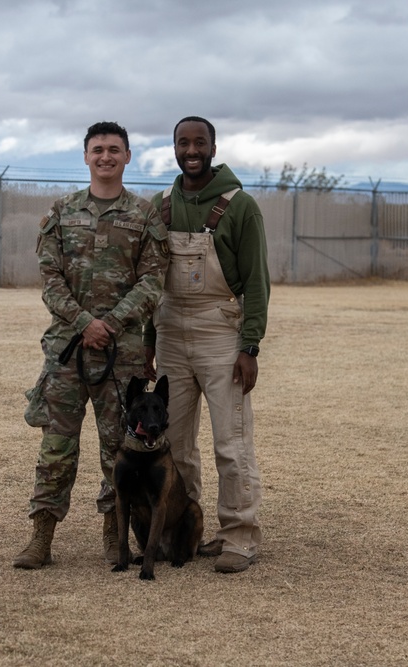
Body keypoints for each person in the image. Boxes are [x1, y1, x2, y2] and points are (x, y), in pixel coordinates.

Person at [15, 121, 168, 569]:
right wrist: (85, 323)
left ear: (127, 156)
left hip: (122, 356)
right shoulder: (61, 213)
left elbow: (153, 280)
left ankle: (112, 532)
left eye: (114, 149)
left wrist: (112, 323)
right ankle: (41, 535)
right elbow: (50, 280)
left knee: (115, 446)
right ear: (85, 157)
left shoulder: (144, 216)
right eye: (98, 149)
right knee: (56, 447)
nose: (106, 156)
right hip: (68, 350)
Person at [144, 116, 270, 574]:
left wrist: (249, 346)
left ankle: (239, 535)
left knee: (230, 441)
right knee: (173, 443)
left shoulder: (241, 206)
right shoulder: (159, 205)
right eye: (183, 142)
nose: (191, 149)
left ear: (214, 147)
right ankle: (184, 529)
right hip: (170, 330)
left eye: (200, 142)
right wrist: (148, 341)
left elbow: (257, 283)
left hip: (221, 333)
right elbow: (150, 281)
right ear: (173, 148)